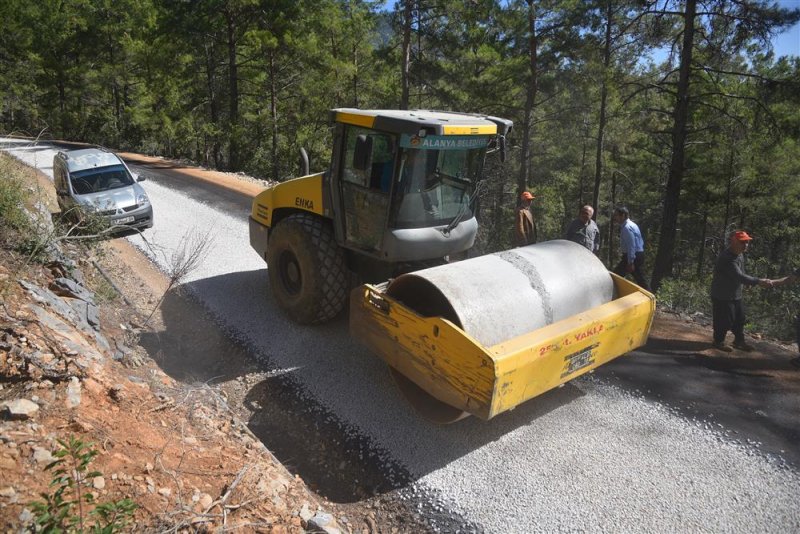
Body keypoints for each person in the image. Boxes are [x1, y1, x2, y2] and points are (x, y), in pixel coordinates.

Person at [709, 230, 774, 352]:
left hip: (735, 294)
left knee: (740, 318)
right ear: (734, 242)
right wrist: (758, 281)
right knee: (724, 320)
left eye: (747, 242)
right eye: (743, 242)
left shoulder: (740, 254)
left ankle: (739, 341)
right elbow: (739, 276)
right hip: (722, 295)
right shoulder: (727, 258)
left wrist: (748, 284)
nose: (746, 245)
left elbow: (741, 273)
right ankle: (718, 342)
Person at [612, 206, 650, 290]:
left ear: (623, 215)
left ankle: (651, 298)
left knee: (615, 276)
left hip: (633, 256)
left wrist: (630, 262)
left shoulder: (626, 228)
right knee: (640, 279)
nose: (615, 218)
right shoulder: (632, 225)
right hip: (637, 254)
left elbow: (631, 245)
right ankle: (651, 297)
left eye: (617, 215)